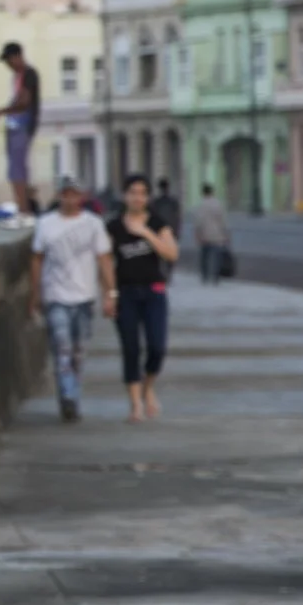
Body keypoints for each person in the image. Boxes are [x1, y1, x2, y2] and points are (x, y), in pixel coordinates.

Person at [28, 177, 114, 423]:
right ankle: (67, 395)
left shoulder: (93, 224)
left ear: (82, 196)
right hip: (56, 295)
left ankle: (72, 394)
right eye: (65, 194)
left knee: (78, 351)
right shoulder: (45, 224)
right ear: (59, 196)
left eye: (74, 194)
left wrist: (110, 293)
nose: (70, 198)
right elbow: (37, 258)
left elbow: (104, 259)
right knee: (62, 347)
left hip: (84, 297)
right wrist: (34, 294)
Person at [107, 173, 179, 423]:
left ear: (147, 197)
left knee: (157, 347)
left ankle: (149, 386)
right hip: (125, 293)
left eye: (142, 193)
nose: (137, 197)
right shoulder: (114, 226)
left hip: (154, 292)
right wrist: (109, 294)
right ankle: (135, 402)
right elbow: (105, 263)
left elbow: (171, 254)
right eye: (133, 192)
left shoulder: (158, 223)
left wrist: (146, 233)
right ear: (125, 195)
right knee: (130, 348)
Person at [0, 42, 41, 226]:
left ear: (17, 56)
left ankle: (24, 212)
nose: (8, 65)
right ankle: (22, 209)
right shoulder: (18, 77)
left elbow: (23, 103)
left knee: (18, 170)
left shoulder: (29, 74)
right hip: (15, 125)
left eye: (8, 60)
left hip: (22, 125)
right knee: (15, 170)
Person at [193, 184, 232, 284]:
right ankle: (216, 277)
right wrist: (226, 234)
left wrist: (197, 234)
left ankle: (205, 276)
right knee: (217, 257)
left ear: (203, 192)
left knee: (204, 257)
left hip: (205, 235)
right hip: (217, 235)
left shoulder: (201, 205)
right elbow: (223, 221)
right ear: (212, 192)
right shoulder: (218, 204)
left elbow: (198, 222)